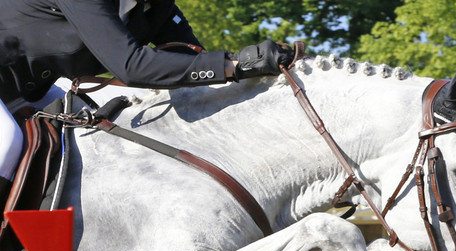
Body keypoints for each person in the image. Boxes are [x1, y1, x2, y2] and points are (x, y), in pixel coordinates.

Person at [0, 0, 294, 198]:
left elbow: (193, 63)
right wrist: (233, 64)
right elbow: (130, 65)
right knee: (7, 144)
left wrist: (253, 71)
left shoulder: (156, 6)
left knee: (91, 142)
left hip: (25, 91)